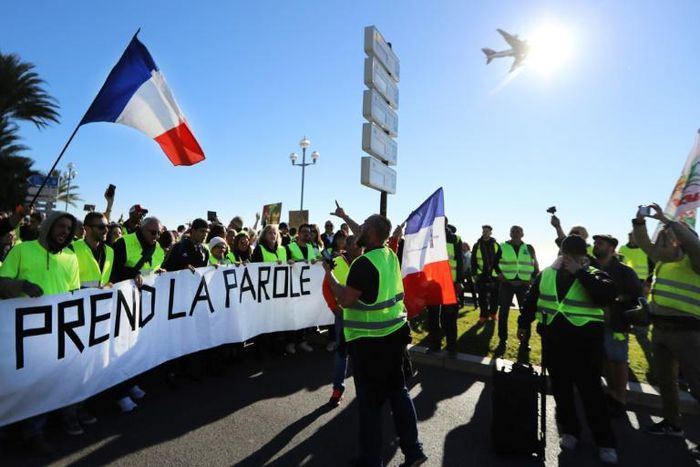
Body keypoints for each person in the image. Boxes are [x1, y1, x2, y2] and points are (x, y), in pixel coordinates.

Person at [324, 211, 427, 467]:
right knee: (399, 394)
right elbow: (370, 229)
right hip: (394, 338)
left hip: (370, 344)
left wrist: (330, 275)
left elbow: (345, 299)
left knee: (369, 405)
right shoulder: (389, 254)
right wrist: (345, 217)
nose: (356, 231)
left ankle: (371, 461)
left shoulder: (362, 264)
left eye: (362, 228)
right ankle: (414, 451)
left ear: (369, 234)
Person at [518, 235, 618, 465]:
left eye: (573, 257)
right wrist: (524, 323)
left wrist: (579, 272)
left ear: (583, 257)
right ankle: (570, 431)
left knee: (591, 395)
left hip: (586, 347)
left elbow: (605, 296)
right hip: (554, 343)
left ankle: (606, 443)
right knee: (562, 392)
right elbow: (531, 299)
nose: (567, 260)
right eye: (565, 256)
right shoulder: (547, 273)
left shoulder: (594, 273)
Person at [0, 211, 85, 452]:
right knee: (17, 381)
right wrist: (22, 286)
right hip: (21, 332)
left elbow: (74, 294)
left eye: (69, 229)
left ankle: (34, 432)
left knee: (44, 383)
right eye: (60, 226)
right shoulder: (22, 250)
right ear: (48, 226)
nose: (65, 232)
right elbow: (1, 283)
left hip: (54, 332)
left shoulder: (71, 257)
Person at [633, 203, 700, 437]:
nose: (668, 239)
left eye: (672, 236)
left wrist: (670, 221)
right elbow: (646, 246)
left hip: (688, 333)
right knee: (666, 382)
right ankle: (673, 423)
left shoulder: (695, 261)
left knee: (697, 385)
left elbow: (693, 244)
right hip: (660, 329)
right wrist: (640, 221)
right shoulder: (665, 260)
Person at [591, 234, 643, 417]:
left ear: (612, 249)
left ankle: (620, 399)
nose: (596, 246)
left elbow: (637, 295)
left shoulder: (625, 271)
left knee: (618, 360)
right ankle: (611, 394)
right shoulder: (590, 268)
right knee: (604, 360)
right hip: (594, 324)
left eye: (600, 243)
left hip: (617, 325)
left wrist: (619, 299)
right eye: (595, 243)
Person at [327, 234, 364, 406]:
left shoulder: (367, 261)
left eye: (359, 244)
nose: (359, 247)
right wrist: (334, 309)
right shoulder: (337, 262)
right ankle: (337, 389)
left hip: (365, 318)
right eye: (355, 244)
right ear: (347, 247)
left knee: (363, 356)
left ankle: (365, 391)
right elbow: (326, 287)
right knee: (342, 355)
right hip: (343, 317)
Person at [493, 225, 538, 354]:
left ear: (522, 234)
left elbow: (535, 265)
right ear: (510, 234)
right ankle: (502, 340)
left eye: (518, 231)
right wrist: (501, 276)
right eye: (513, 231)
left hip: (524, 284)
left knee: (526, 313)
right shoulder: (503, 247)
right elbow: (495, 264)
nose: (516, 233)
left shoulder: (529, 248)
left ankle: (525, 342)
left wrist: (532, 279)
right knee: (503, 313)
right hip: (507, 284)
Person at [426, 222, 463, 357]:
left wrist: (459, 281)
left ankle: (451, 348)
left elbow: (460, 261)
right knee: (433, 317)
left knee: (450, 317)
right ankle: (434, 346)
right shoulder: (429, 237)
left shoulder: (455, 239)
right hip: (433, 283)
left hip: (450, 283)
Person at [71, 212, 113, 288]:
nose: (106, 230)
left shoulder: (110, 251)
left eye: (108, 226)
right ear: (87, 228)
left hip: (102, 298)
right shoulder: (72, 249)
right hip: (79, 298)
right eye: (101, 227)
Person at [471, 225, 500, 323]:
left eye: (487, 231)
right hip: (481, 275)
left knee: (495, 297)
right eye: (484, 231)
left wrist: (500, 273)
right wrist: (474, 274)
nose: (485, 233)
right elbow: (473, 260)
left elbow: (500, 260)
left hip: (494, 275)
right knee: (482, 298)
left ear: (491, 233)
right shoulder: (477, 245)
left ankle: (493, 314)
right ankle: (483, 315)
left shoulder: (496, 245)